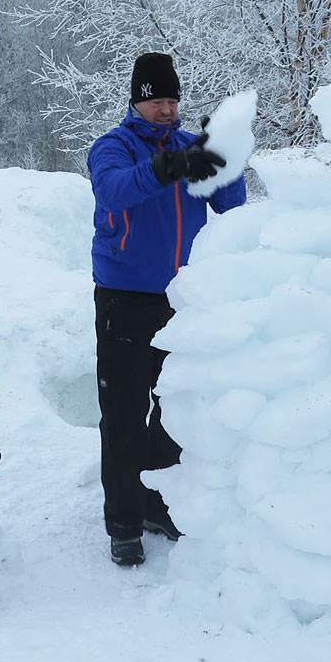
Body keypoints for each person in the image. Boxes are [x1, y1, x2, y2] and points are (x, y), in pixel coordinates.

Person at [87, 52, 246, 566]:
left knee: (174, 408)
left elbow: (231, 207)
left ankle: (156, 502)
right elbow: (113, 192)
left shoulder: (185, 145)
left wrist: (227, 157)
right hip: (125, 298)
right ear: (137, 99)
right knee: (125, 411)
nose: (166, 108)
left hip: (183, 299)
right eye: (157, 99)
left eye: (173, 99)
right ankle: (123, 522)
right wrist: (167, 166)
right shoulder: (113, 147)